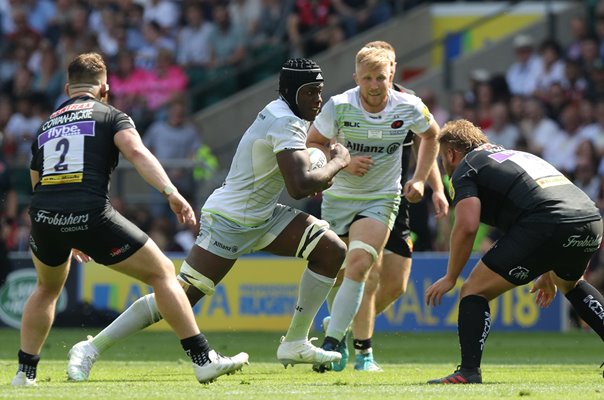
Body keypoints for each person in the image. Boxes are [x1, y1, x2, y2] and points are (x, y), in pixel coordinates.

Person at [66, 58, 351, 381]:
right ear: (290, 92)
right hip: (232, 219)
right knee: (178, 295)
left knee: (330, 250)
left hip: (263, 215)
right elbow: (299, 186)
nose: (318, 99)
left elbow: (299, 177)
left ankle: (296, 342)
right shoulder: (284, 122)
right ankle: (90, 348)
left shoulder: (284, 114)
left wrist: (316, 166)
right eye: (311, 92)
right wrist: (337, 161)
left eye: (321, 91)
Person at [10, 52, 248, 387]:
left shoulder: (46, 127)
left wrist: (62, 227)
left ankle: (24, 373)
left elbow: (38, 181)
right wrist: (170, 191)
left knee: (46, 289)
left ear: (67, 88)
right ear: (105, 88)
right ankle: (202, 358)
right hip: (89, 212)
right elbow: (136, 152)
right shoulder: (110, 115)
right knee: (163, 273)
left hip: (44, 217)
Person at [425, 119, 604, 384]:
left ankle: (468, 372)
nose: (444, 165)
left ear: (450, 154)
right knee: (570, 283)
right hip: (590, 220)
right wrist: (547, 267)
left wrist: (451, 276)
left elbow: (466, 225)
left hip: (549, 223)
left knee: (473, 290)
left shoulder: (467, 166)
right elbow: (544, 201)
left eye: (442, 159)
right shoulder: (515, 155)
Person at [307, 45, 440, 372]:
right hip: (339, 198)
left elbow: (432, 136)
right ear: (356, 78)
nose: (374, 84)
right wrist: (342, 161)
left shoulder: (409, 106)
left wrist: (423, 180)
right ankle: (339, 328)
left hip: (382, 197)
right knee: (338, 275)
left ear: (391, 76)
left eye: (380, 77)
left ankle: (334, 342)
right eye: (367, 78)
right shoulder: (339, 106)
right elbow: (312, 143)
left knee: (361, 263)